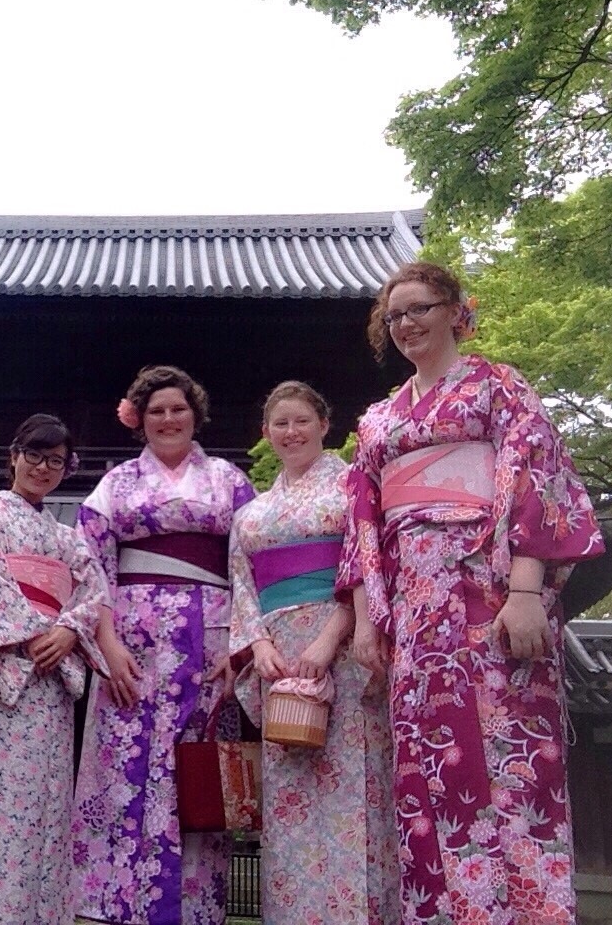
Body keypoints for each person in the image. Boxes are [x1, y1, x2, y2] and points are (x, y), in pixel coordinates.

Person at [340, 262, 604, 925]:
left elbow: (537, 477)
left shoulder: (498, 386)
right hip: (414, 608)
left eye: (420, 308)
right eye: (394, 316)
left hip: (489, 589)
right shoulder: (376, 421)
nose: (407, 324)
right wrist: (369, 623)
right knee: (427, 762)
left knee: (508, 753)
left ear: (457, 311)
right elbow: (363, 523)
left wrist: (525, 591)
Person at [70, 365, 256, 925]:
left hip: (209, 644)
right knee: (125, 763)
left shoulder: (228, 480)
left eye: (178, 409)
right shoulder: (116, 484)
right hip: (132, 645)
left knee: (197, 769)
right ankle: (118, 906)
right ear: (140, 420)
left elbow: (249, 566)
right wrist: (106, 643)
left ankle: (196, 909)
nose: (168, 419)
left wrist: (241, 647)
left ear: (195, 415)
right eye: (156, 411)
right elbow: (92, 567)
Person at [226, 381, 400, 923]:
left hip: (343, 649)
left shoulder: (353, 489)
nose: (291, 432)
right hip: (279, 661)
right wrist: (258, 643)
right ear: (266, 433)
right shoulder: (251, 514)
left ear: (325, 426)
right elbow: (242, 586)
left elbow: (368, 568)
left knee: (354, 787)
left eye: (302, 421)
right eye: (280, 424)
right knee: (290, 794)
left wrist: (330, 638)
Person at [0, 413, 114, 925]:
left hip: (51, 681)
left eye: (56, 461)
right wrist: (32, 632)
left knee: (48, 813)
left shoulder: (67, 537)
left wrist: (68, 631)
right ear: (14, 456)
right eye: (35, 455)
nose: (43, 468)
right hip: (4, 678)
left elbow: (93, 592)